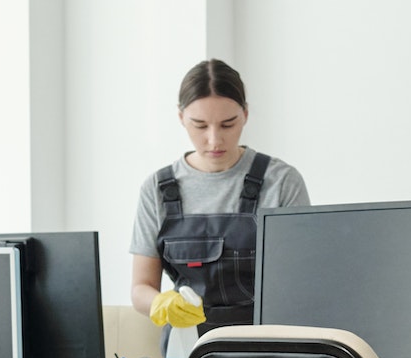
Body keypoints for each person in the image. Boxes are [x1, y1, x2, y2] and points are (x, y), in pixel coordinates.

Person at [130, 59, 310, 332]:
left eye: (228, 124)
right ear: (181, 118)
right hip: (188, 350)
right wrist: (159, 303)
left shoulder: (282, 182)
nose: (214, 140)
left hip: (269, 345)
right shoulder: (156, 189)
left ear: (246, 115)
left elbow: (302, 280)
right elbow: (141, 288)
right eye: (200, 126)